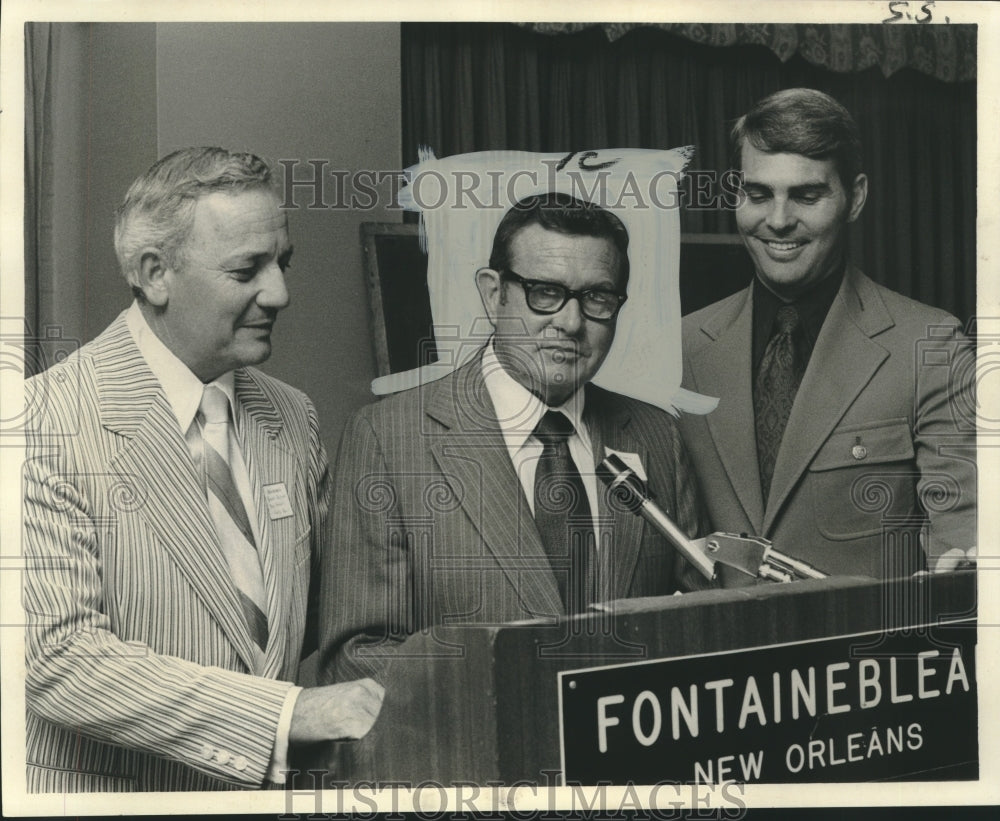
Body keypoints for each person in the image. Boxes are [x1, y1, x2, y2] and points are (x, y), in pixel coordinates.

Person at [22, 147, 383, 792]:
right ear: (155, 275)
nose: (280, 293)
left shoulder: (291, 417)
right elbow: (58, 662)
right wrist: (286, 713)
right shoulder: (41, 422)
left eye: (283, 263)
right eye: (248, 270)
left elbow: (323, 622)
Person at [319, 193, 711, 684]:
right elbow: (357, 657)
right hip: (475, 753)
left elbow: (708, 625)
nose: (570, 323)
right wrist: (518, 705)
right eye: (544, 292)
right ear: (492, 292)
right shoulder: (388, 437)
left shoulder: (658, 436)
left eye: (597, 298)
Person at [678, 88, 976, 580]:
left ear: (855, 197)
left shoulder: (933, 347)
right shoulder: (682, 349)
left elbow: (963, 539)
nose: (777, 221)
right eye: (757, 195)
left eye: (806, 195)